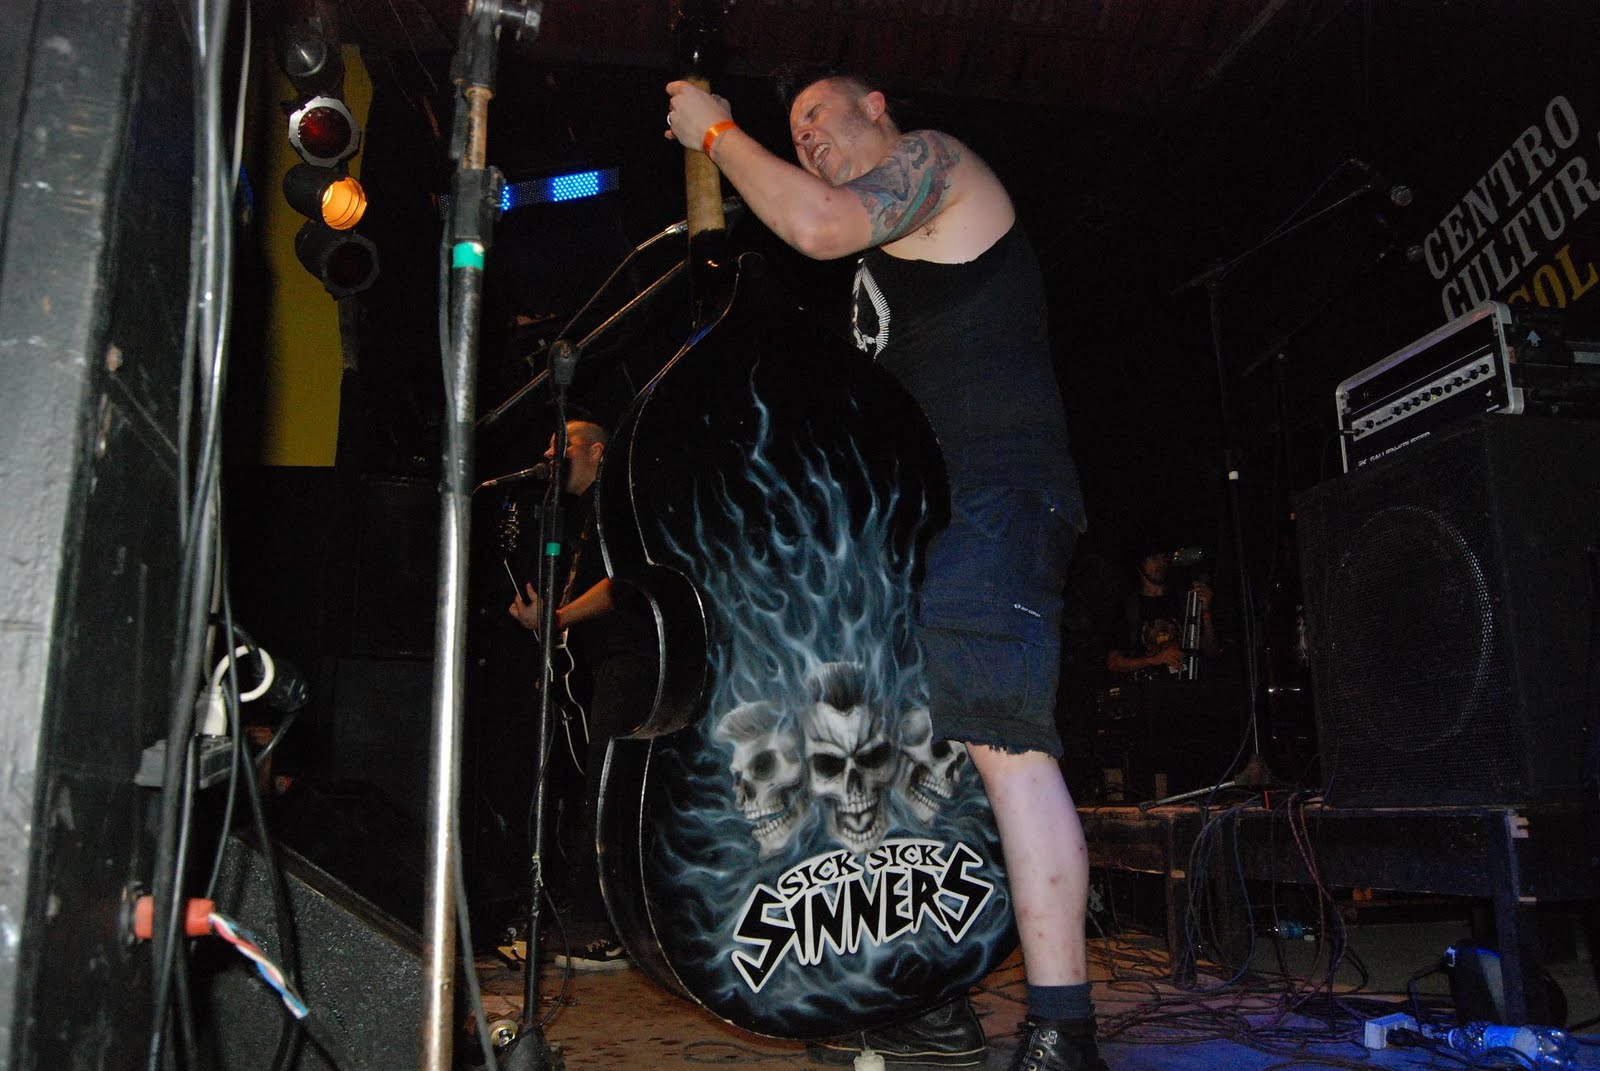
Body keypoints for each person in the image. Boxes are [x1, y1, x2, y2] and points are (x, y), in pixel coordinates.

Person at [665, 67, 1104, 1071]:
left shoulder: (937, 162)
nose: (808, 138)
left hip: (999, 495)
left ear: (877, 108)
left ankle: (1063, 1030)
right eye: (794, 132)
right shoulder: (888, 253)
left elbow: (816, 224)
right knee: (918, 766)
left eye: (818, 115)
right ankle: (926, 997)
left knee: (1005, 747)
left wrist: (720, 133)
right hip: (931, 519)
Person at [507, 416, 657, 972]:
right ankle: (580, 915)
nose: (550, 453)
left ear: (596, 451)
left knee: (610, 790)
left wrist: (557, 617)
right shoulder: (576, 517)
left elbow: (625, 582)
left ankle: (611, 930)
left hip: (636, 661)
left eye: (563, 443)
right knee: (581, 788)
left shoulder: (620, 503)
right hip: (599, 666)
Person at [1105, 545, 1219, 679]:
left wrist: (1205, 613)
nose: (1161, 563)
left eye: (1163, 557)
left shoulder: (1183, 600)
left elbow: (1211, 651)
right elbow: (1113, 663)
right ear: (1139, 565)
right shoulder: (1128, 607)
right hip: (1147, 688)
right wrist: (1154, 659)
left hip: (1186, 685)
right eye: (1154, 558)